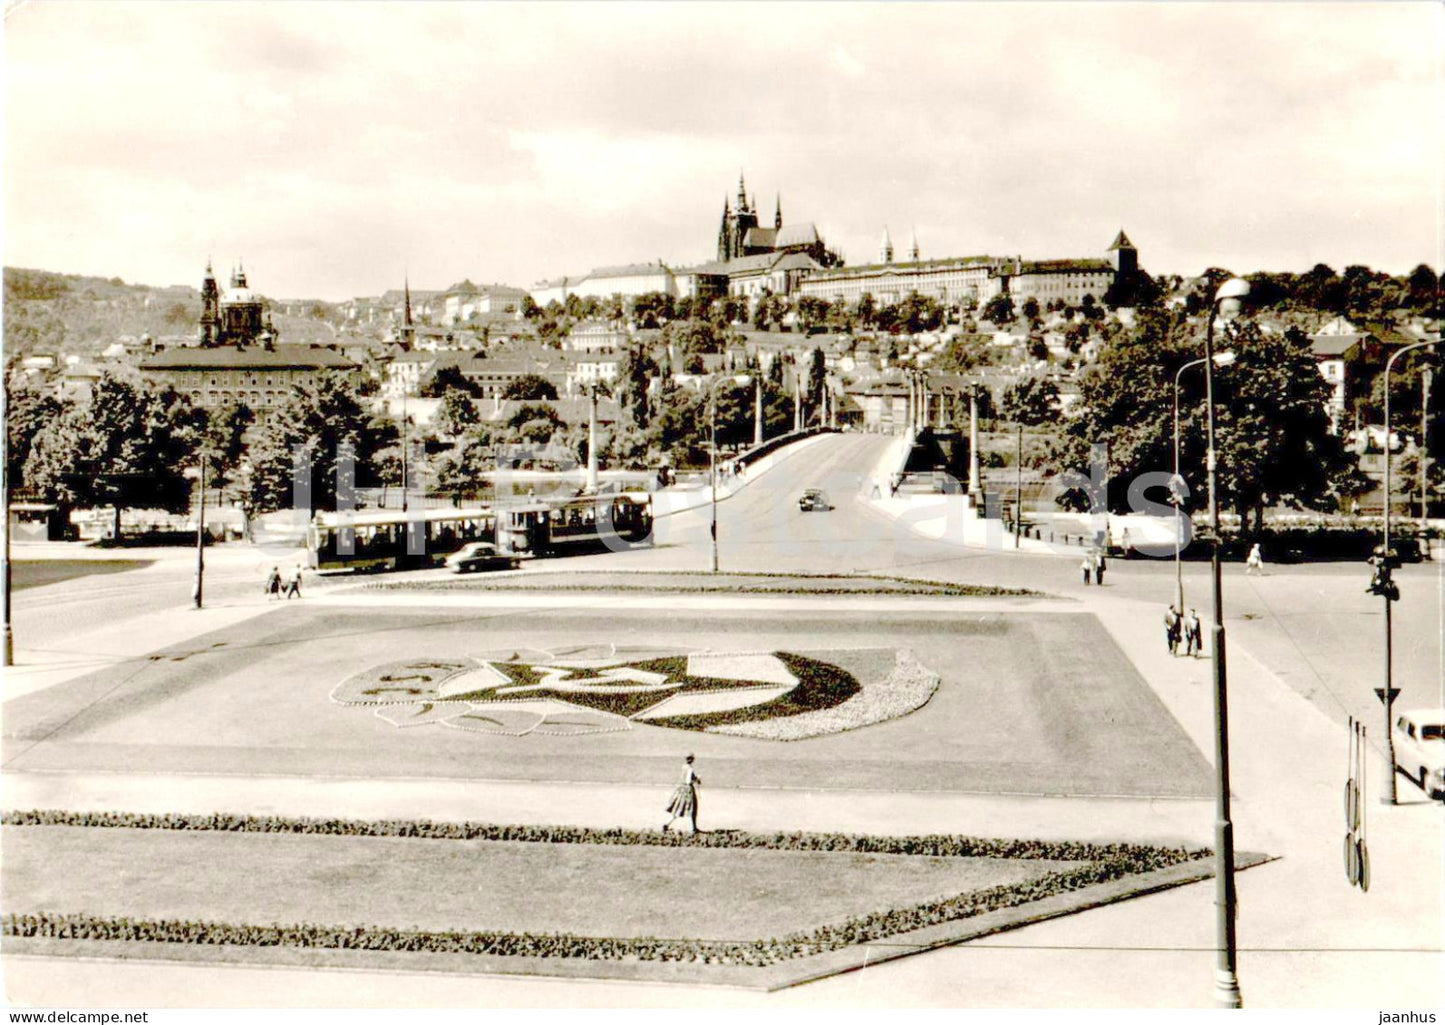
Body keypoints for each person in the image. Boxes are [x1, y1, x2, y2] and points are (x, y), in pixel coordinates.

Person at [663, 754, 702, 834]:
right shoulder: (690, 769)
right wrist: (697, 779)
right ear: (692, 760)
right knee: (692, 809)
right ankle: (693, 828)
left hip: (681, 790)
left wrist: (695, 779)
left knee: (679, 809)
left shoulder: (683, 767)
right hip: (688, 791)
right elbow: (688, 781)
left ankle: (667, 824)